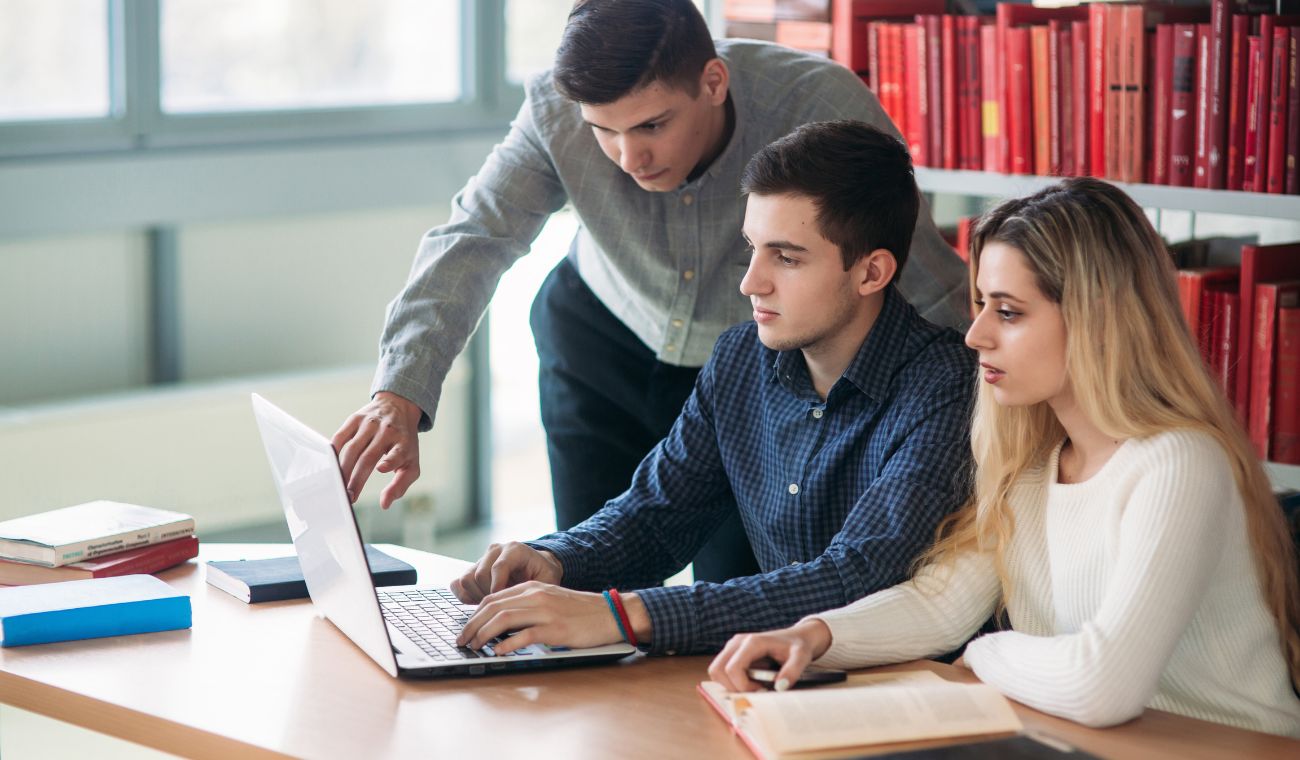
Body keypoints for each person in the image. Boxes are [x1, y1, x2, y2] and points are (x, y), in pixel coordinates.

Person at [330, 0, 969, 584]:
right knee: (576, 570)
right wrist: (398, 393)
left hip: (748, 373)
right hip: (600, 343)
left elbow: (917, 270)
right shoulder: (554, 112)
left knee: (732, 592)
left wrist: (996, 408)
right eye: (604, 132)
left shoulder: (817, 105)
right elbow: (476, 234)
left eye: (651, 126)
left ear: (712, 83)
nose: (627, 157)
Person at [707, 177, 1300, 737]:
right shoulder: (1035, 466)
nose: (976, 335)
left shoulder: (1177, 462)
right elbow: (942, 604)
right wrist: (811, 636)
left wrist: (986, 651)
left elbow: (1102, 687)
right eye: (981, 304)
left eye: (1009, 312)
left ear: (1098, 323)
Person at [448, 120, 976, 658]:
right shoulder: (740, 359)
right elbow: (657, 515)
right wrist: (555, 559)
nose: (751, 282)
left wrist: (623, 615)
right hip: (781, 683)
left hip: (909, 695)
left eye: (787, 257)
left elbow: (854, 580)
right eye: (752, 248)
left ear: (872, 273)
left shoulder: (948, 389)